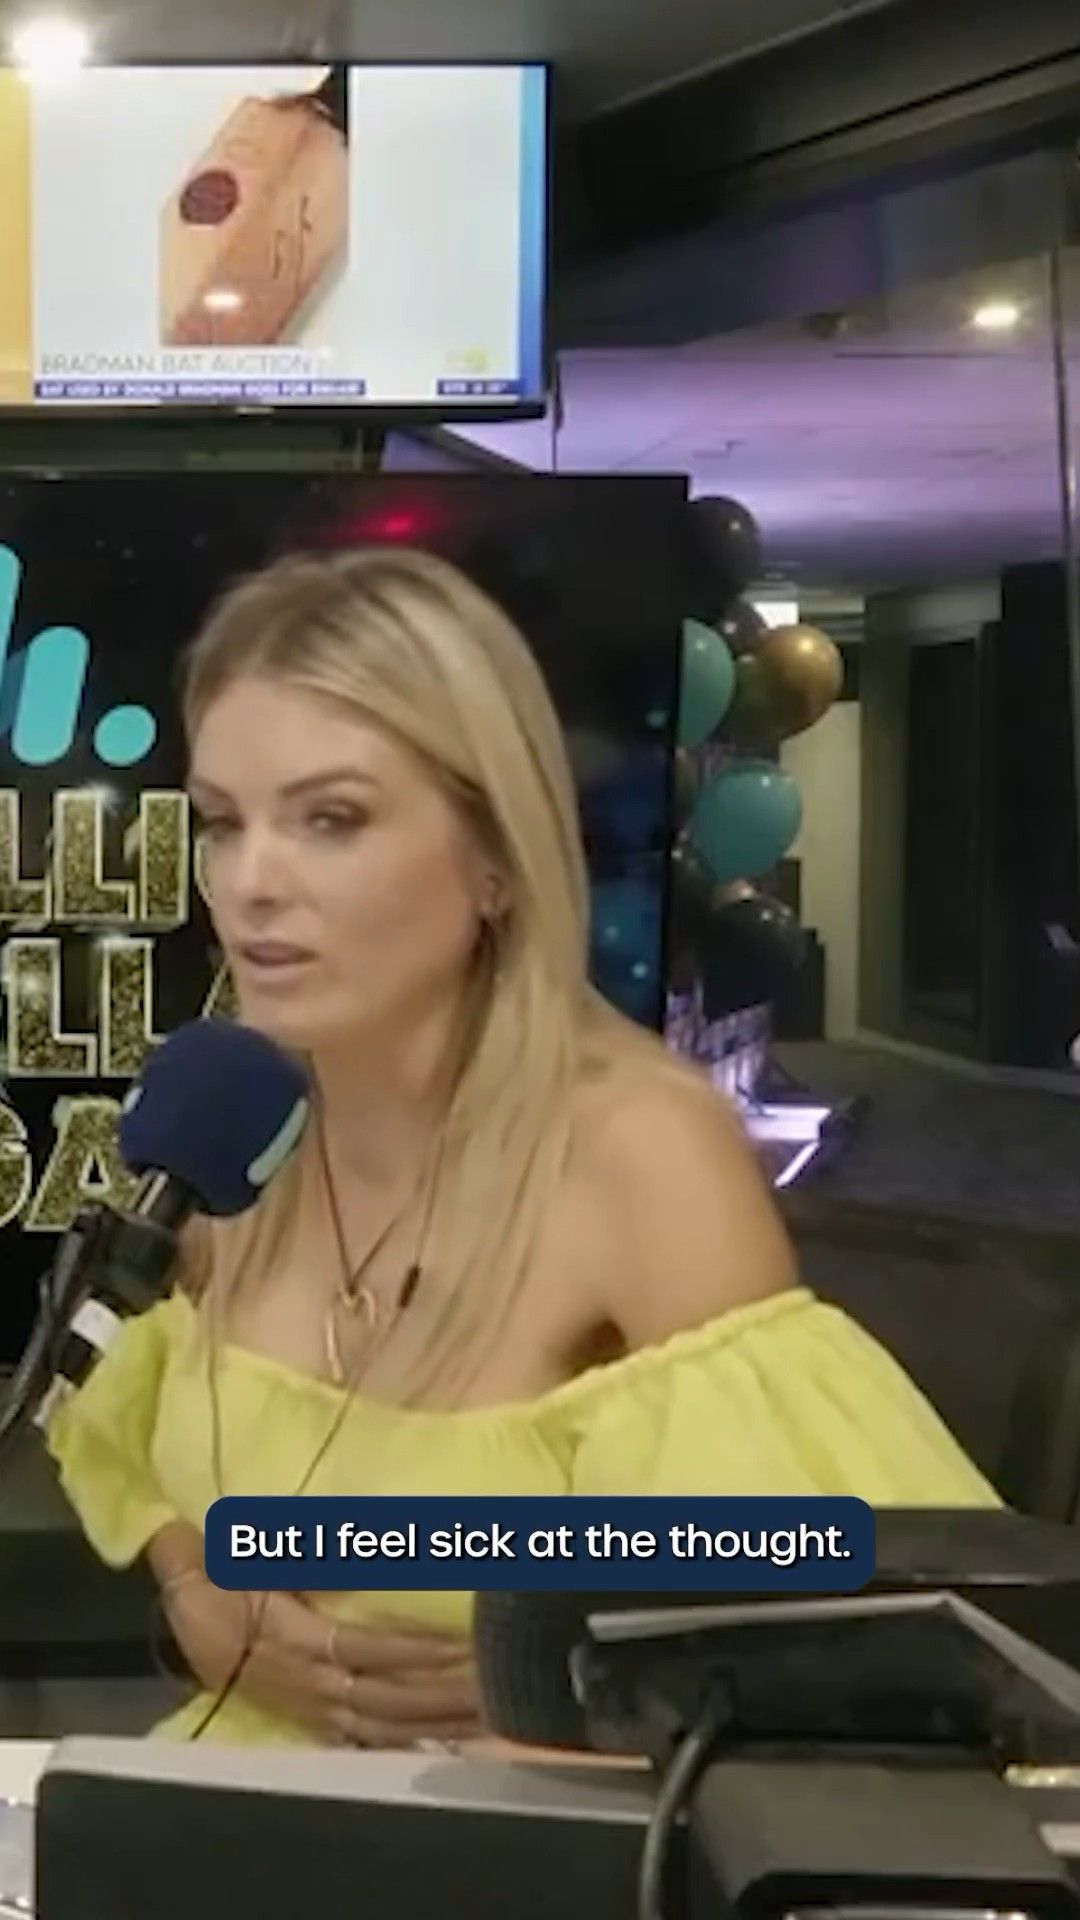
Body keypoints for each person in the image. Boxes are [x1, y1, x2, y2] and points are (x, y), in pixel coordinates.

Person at [45, 547, 999, 1752]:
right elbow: (129, 1433)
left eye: (332, 819)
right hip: (227, 1791)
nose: (250, 884)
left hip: (541, 1823)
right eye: (225, 824)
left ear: (494, 857)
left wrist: (563, 1678)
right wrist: (197, 1586)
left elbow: (836, 1595)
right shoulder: (233, 1126)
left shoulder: (639, 1152)